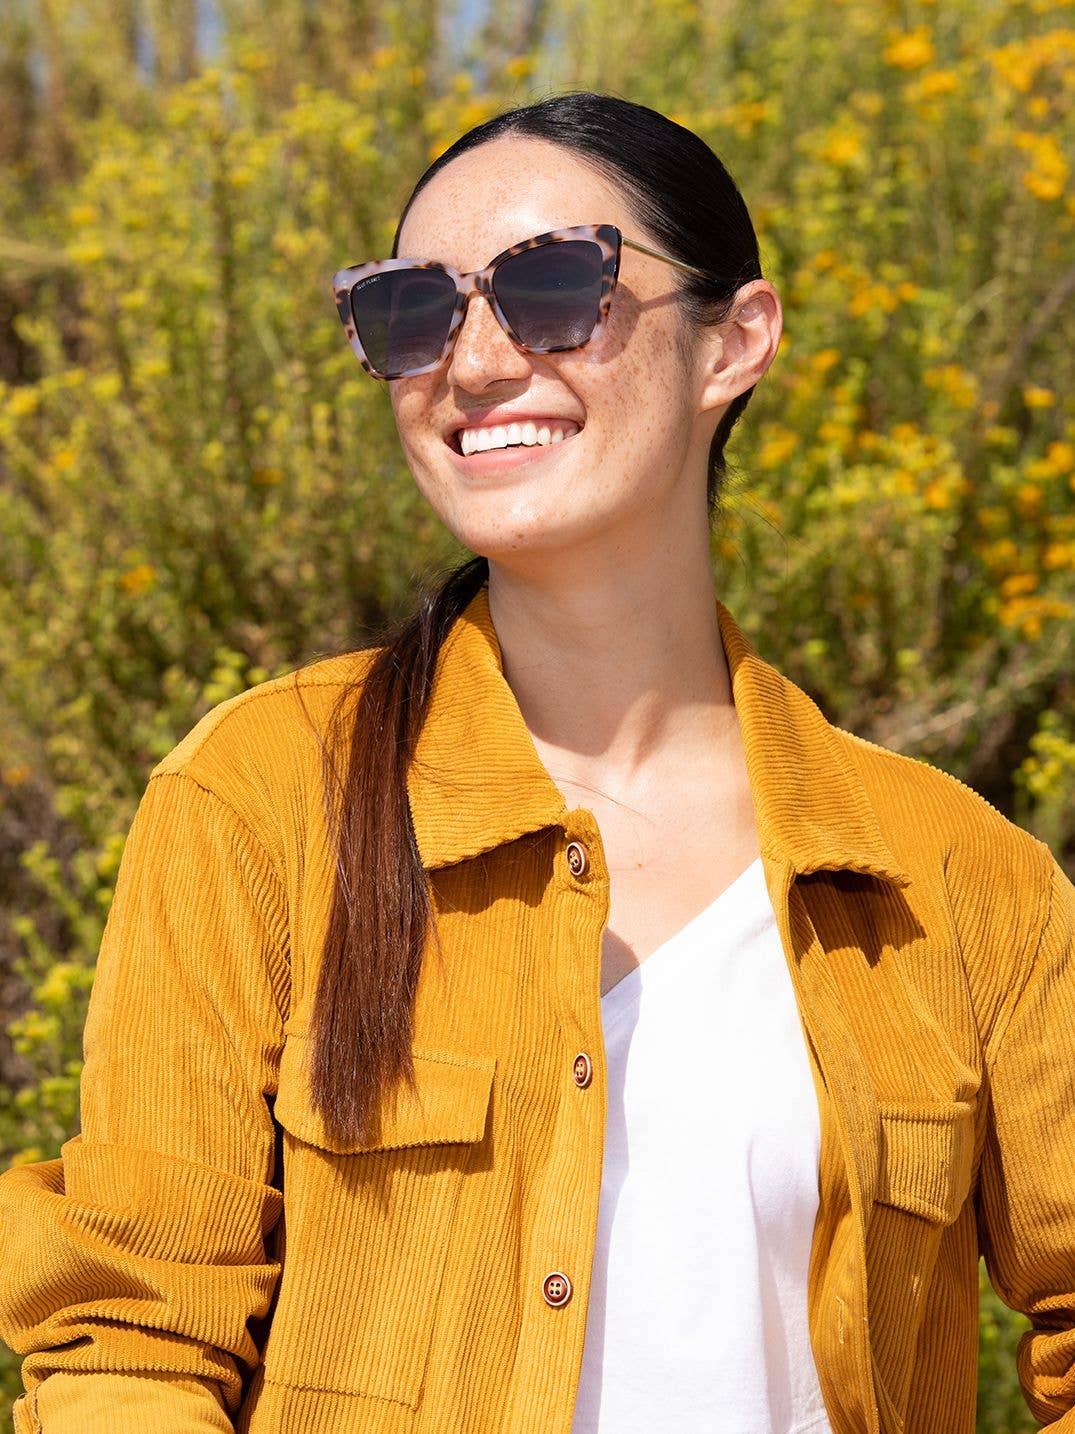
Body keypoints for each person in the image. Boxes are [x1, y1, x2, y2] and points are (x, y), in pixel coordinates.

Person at [0, 89, 1072, 1434]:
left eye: (553, 287)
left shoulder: (959, 879)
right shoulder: (259, 800)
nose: (475, 362)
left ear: (733, 340)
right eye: (412, 312)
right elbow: (134, 1339)